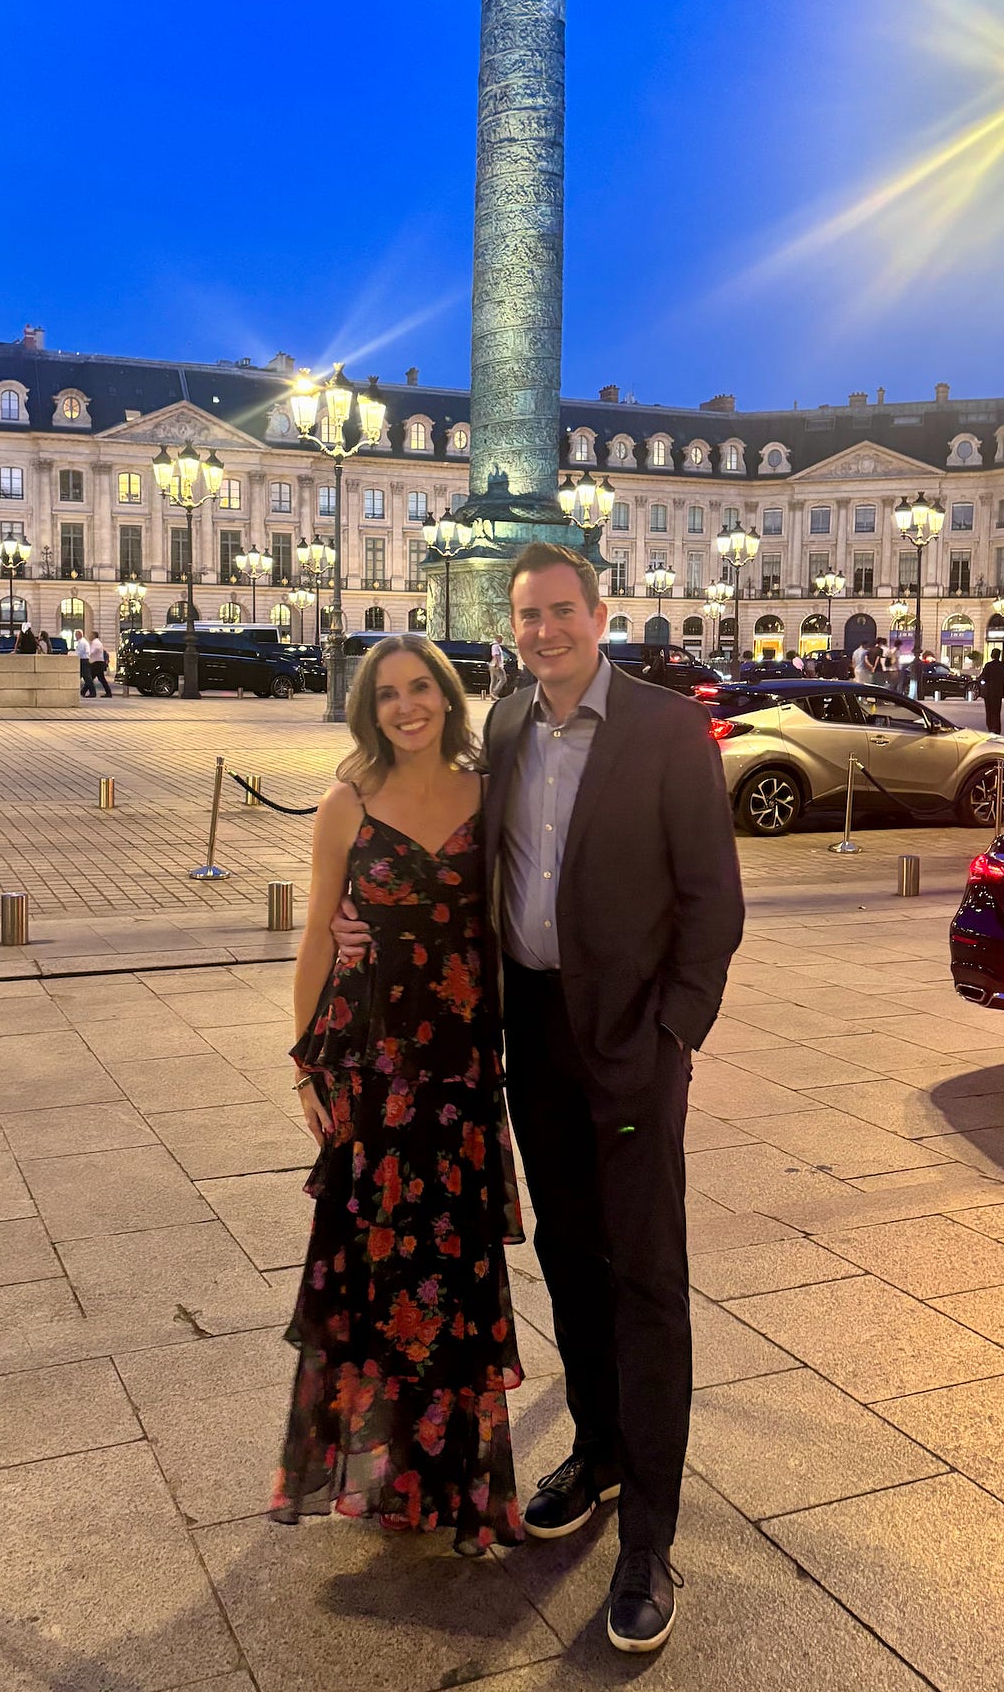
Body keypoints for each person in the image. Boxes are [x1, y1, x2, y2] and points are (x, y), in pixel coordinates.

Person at [335, 543, 743, 1653]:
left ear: (599, 614)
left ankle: (649, 1538)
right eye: (528, 616)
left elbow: (713, 900)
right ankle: (600, 1449)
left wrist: (674, 1034)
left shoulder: (667, 729)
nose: (545, 631)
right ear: (511, 628)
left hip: (633, 1044)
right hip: (534, 1037)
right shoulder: (508, 725)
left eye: (563, 611)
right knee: (568, 1253)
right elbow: (457, 864)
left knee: (647, 1277)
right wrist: (362, 924)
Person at [274, 634, 524, 1557]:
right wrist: (306, 1064)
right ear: (368, 709)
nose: (407, 706)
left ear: (449, 698)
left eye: (422, 688)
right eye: (387, 694)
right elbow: (315, 935)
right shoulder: (346, 803)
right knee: (377, 1263)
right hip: (373, 1062)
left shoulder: (489, 793)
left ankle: (446, 1467)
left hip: (459, 1062)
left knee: (453, 1264)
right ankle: (385, 1464)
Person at [978, 648, 1004, 734]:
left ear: (992, 655)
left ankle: (991, 728)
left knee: (989, 712)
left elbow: (983, 677)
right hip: (998, 693)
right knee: (997, 712)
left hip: (989, 692)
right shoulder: (1003, 666)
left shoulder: (988, 665)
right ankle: (997, 729)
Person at [74, 630, 94, 696]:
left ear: (79, 635)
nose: (75, 636)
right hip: (83, 660)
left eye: (76, 635)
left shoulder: (82, 642)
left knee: (87, 678)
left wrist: (72, 654)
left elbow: (80, 652)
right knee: (85, 677)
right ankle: (84, 692)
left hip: (83, 661)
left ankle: (92, 692)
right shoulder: (81, 642)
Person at [488, 635, 507, 700]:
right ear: (497, 638)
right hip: (495, 665)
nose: (502, 640)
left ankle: (492, 695)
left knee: (494, 680)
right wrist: (497, 664)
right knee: (503, 679)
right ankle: (494, 693)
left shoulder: (494, 645)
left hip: (492, 665)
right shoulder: (495, 646)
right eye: (501, 639)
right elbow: (495, 655)